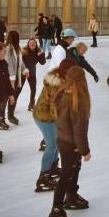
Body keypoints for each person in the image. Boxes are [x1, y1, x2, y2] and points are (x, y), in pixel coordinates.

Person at [47, 66, 92, 217]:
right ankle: (55, 212)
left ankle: (71, 196)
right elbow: (79, 130)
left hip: (63, 139)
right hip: (70, 143)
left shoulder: (63, 93)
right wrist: (85, 150)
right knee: (66, 174)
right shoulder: (77, 99)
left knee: (74, 168)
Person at [33, 59, 76, 193]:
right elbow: (54, 107)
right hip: (44, 117)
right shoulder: (55, 84)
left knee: (56, 143)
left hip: (50, 116)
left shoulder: (61, 80)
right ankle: (43, 179)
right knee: (51, 145)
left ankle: (52, 167)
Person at [0, 30, 29, 128]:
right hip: (8, 79)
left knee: (14, 96)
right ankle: (0, 119)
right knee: (5, 98)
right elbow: (10, 66)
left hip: (17, 78)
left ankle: (11, 115)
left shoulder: (17, 48)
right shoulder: (8, 49)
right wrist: (12, 81)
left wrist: (25, 69)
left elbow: (21, 62)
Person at [22, 38, 47, 111]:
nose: (32, 44)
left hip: (32, 72)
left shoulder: (38, 52)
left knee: (33, 89)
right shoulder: (24, 51)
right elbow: (20, 62)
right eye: (31, 42)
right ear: (28, 44)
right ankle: (11, 108)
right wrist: (24, 70)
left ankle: (31, 105)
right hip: (23, 72)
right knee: (18, 90)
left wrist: (41, 54)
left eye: (34, 43)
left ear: (36, 44)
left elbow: (43, 63)